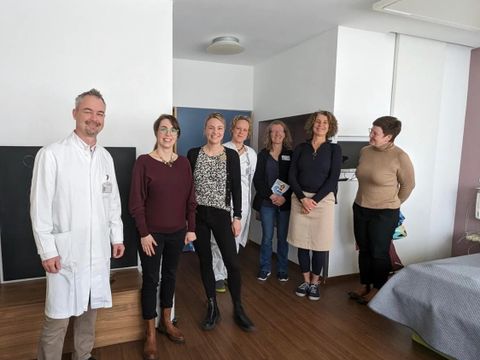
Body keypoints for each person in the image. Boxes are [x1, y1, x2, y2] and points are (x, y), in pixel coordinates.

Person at [30, 89, 125, 360]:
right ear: (75, 114)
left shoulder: (105, 157)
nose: (94, 118)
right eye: (88, 111)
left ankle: (83, 356)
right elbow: (40, 208)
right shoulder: (52, 154)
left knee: (89, 310)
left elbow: (113, 201)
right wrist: (47, 250)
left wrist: (116, 237)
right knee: (57, 319)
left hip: (96, 250)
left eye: (100, 113)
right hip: (65, 251)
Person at [129, 115, 196, 359]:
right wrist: (144, 233)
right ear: (156, 133)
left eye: (173, 130)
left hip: (178, 232)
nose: (168, 134)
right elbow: (136, 203)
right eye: (163, 129)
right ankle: (150, 334)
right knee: (150, 280)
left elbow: (191, 198)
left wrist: (191, 227)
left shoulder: (183, 164)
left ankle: (166, 322)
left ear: (178, 135)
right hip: (151, 236)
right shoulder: (144, 162)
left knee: (170, 276)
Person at [187, 112, 255, 332]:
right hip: (199, 216)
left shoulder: (231, 155)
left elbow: (236, 188)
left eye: (219, 128)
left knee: (232, 263)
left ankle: (238, 308)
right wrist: (188, 222)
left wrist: (237, 217)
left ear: (223, 131)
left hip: (221, 215)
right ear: (205, 130)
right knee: (205, 262)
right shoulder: (193, 154)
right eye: (211, 127)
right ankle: (213, 307)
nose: (215, 132)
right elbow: (188, 190)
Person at [349, 116, 415, 304]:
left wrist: (393, 202)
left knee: (379, 252)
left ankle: (378, 289)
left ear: (389, 137)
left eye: (375, 133)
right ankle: (365, 285)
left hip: (384, 212)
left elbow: (408, 185)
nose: (371, 135)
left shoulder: (400, 157)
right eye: (371, 130)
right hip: (360, 207)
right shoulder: (365, 151)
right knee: (364, 249)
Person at [287, 111, 342, 301]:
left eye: (325, 122)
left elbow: (332, 179)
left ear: (330, 126)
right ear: (313, 124)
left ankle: (314, 283)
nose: (321, 125)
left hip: (323, 201)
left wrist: (314, 201)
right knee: (302, 243)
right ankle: (305, 280)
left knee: (320, 244)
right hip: (300, 198)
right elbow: (292, 176)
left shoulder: (335, 150)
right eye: (318, 121)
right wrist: (303, 198)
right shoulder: (301, 148)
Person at [211, 115, 257, 293]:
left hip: (242, 205)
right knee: (218, 241)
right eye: (238, 128)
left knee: (235, 241)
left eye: (245, 130)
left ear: (248, 133)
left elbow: (250, 179)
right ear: (232, 129)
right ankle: (217, 276)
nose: (241, 132)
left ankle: (229, 273)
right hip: (223, 204)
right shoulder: (222, 149)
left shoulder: (251, 154)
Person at [252, 120, 293, 282]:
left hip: (284, 203)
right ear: (269, 135)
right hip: (267, 202)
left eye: (280, 131)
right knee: (267, 237)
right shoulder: (262, 155)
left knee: (283, 238)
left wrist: (284, 197)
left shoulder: (291, 154)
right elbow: (258, 180)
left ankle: (282, 269)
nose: (277, 134)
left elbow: (294, 178)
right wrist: (272, 196)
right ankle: (265, 267)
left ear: (285, 134)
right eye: (273, 131)